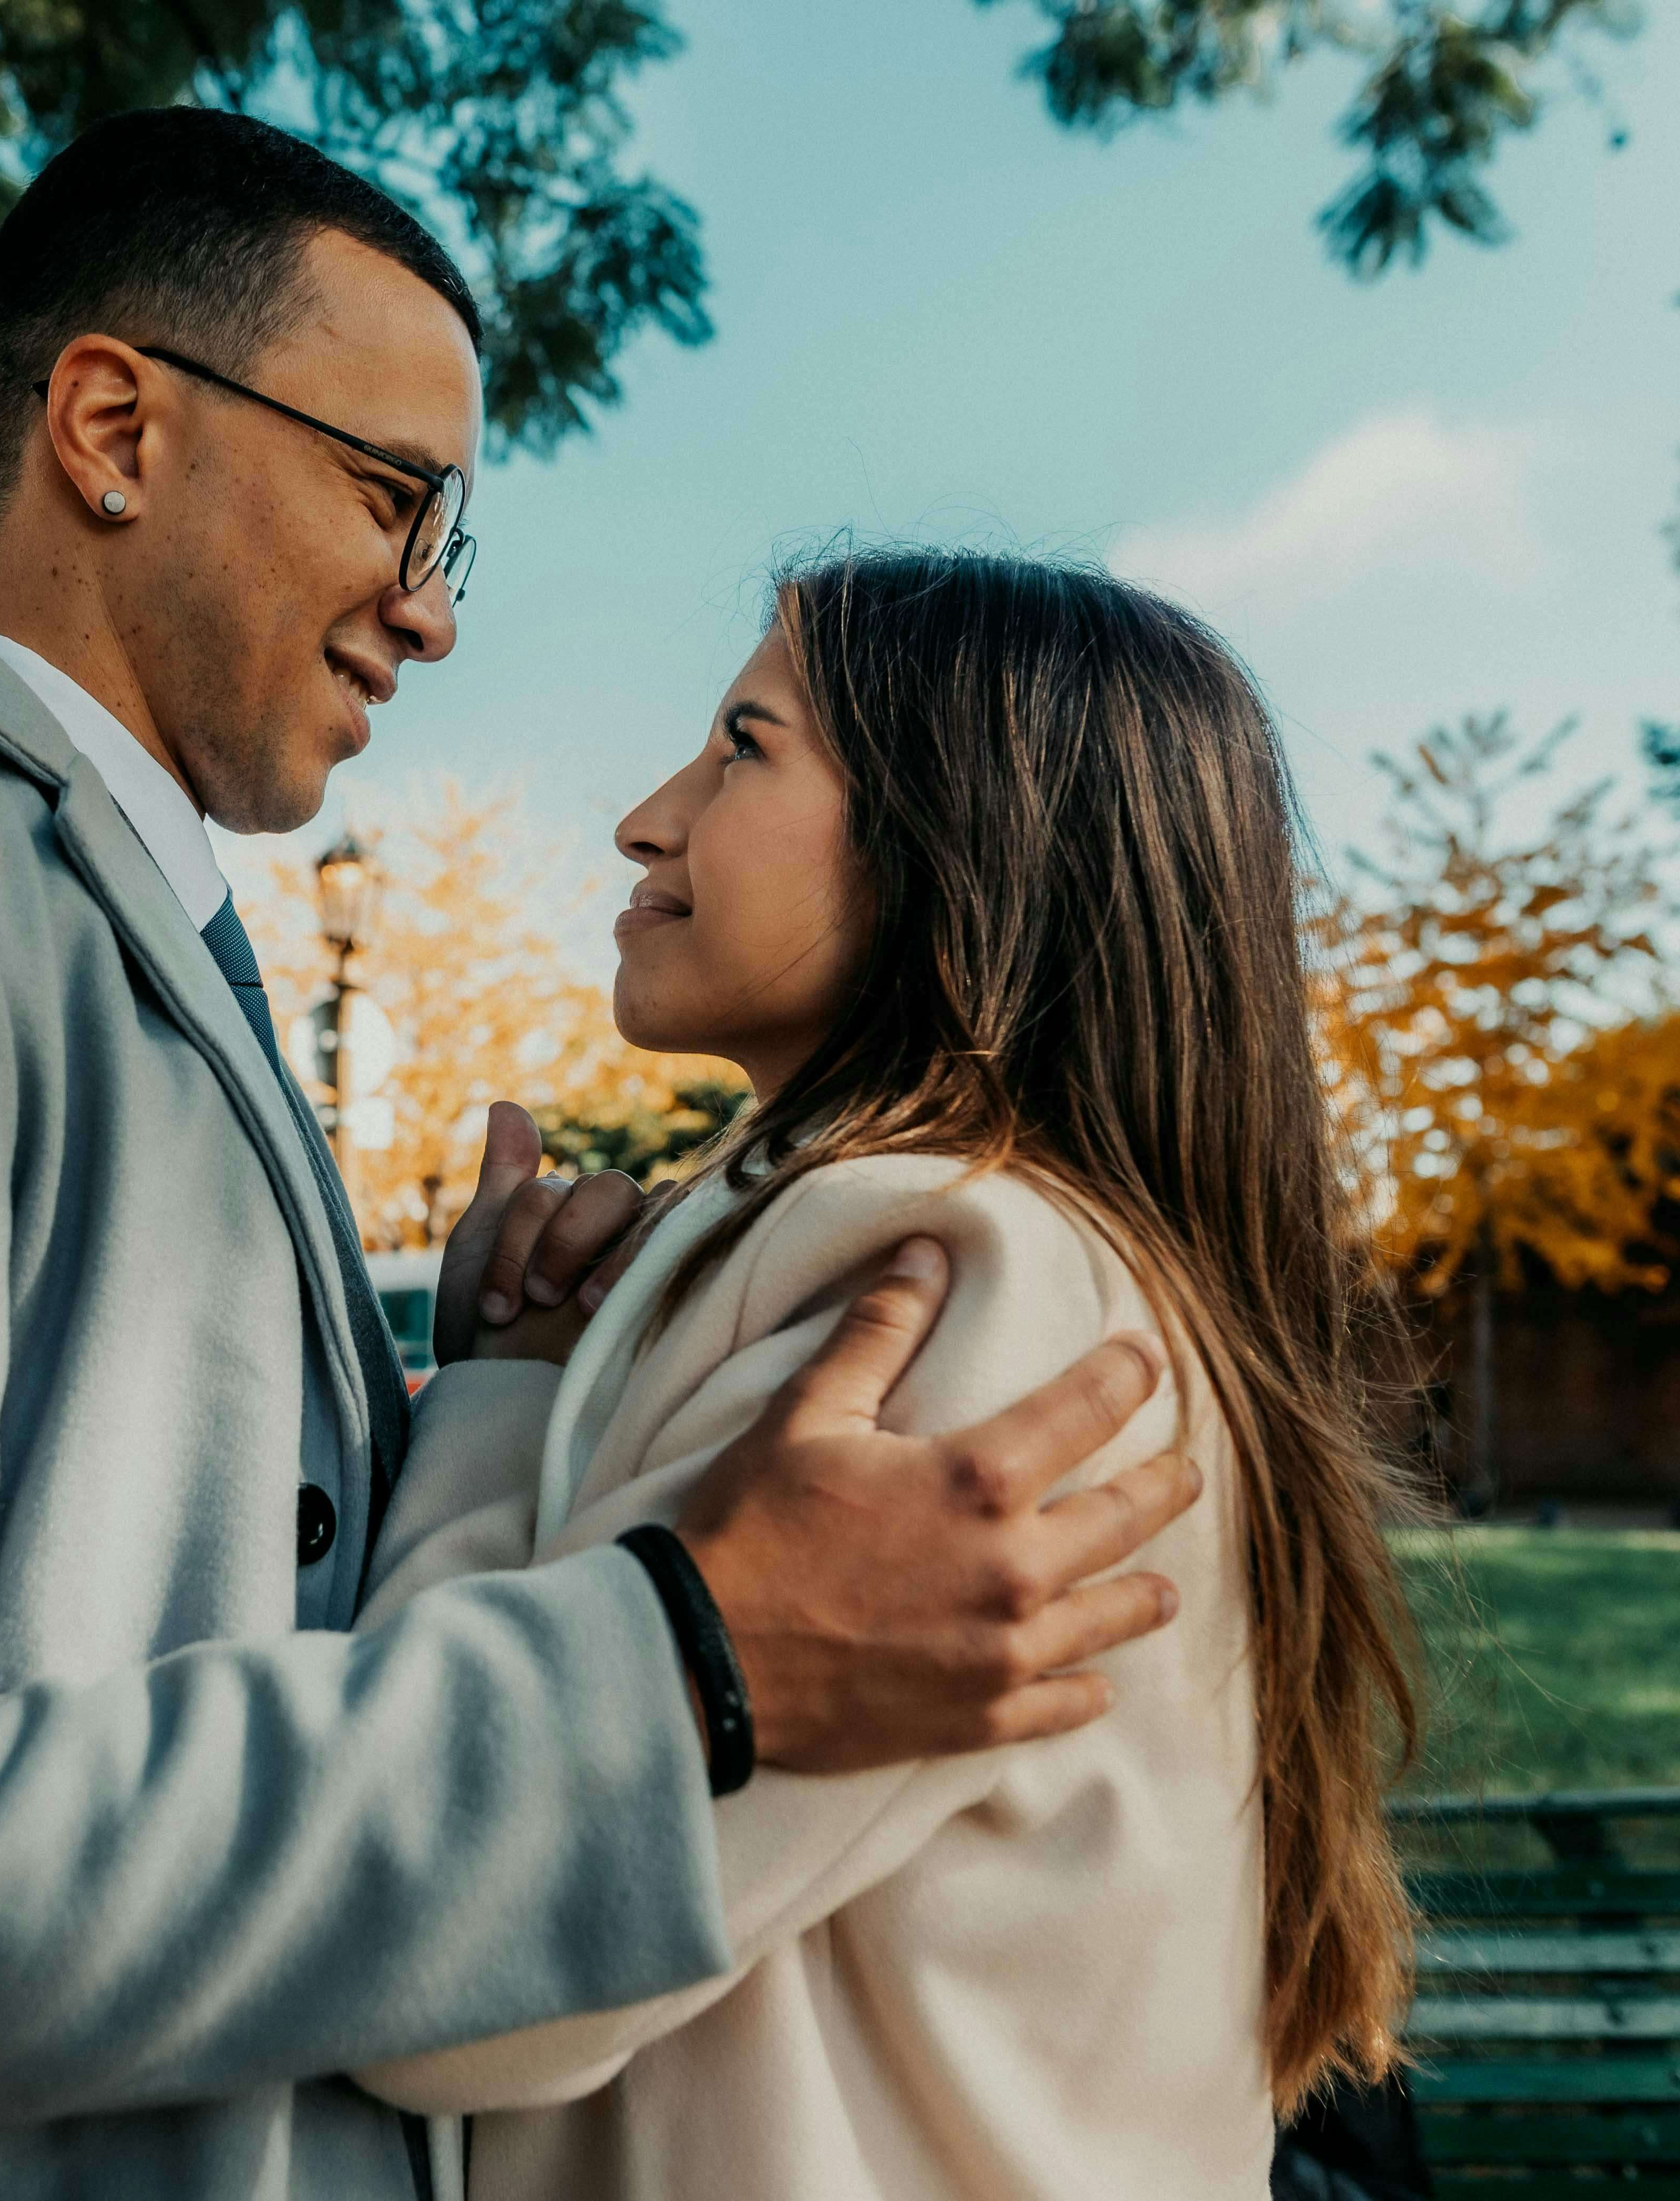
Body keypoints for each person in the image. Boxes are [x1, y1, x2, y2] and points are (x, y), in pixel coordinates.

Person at [0, 112, 1203, 2201]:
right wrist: (682, 1663)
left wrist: (495, 1399)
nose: (430, 614)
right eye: (394, 499)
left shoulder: (122, 930)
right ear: (111, 427)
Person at [351, 548, 1424, 2197]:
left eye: (744, 746)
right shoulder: (996, 1258)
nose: (649, 817)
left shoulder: (951, 1286)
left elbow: (447, 1967)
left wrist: (495, 1405)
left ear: (961, 841)